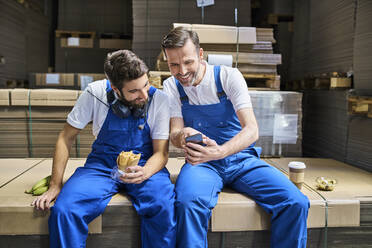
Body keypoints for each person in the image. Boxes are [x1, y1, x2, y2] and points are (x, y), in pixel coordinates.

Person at [161, 27, 309, 248]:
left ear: (201, 55)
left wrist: (220, 151)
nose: (181, 71)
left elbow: (251, 129)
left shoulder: (228, 77)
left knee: (295, 202)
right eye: (173, 65)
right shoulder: (171, 86)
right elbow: (174, 133)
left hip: (241, 160)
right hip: (202, 163)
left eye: (188, 62)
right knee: (187, 203)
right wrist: (181, 135)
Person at [32, 50, 176, 248]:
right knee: (65, 210)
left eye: (145, 85)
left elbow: (161, 153)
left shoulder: (160, 99)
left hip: (145, 164)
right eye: (134, 91)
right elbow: (65, 137)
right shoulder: (94, 93)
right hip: (101, 165)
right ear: (116, 90)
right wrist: (55, 185)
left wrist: (145, 173)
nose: (144, 95)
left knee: (163, 206)